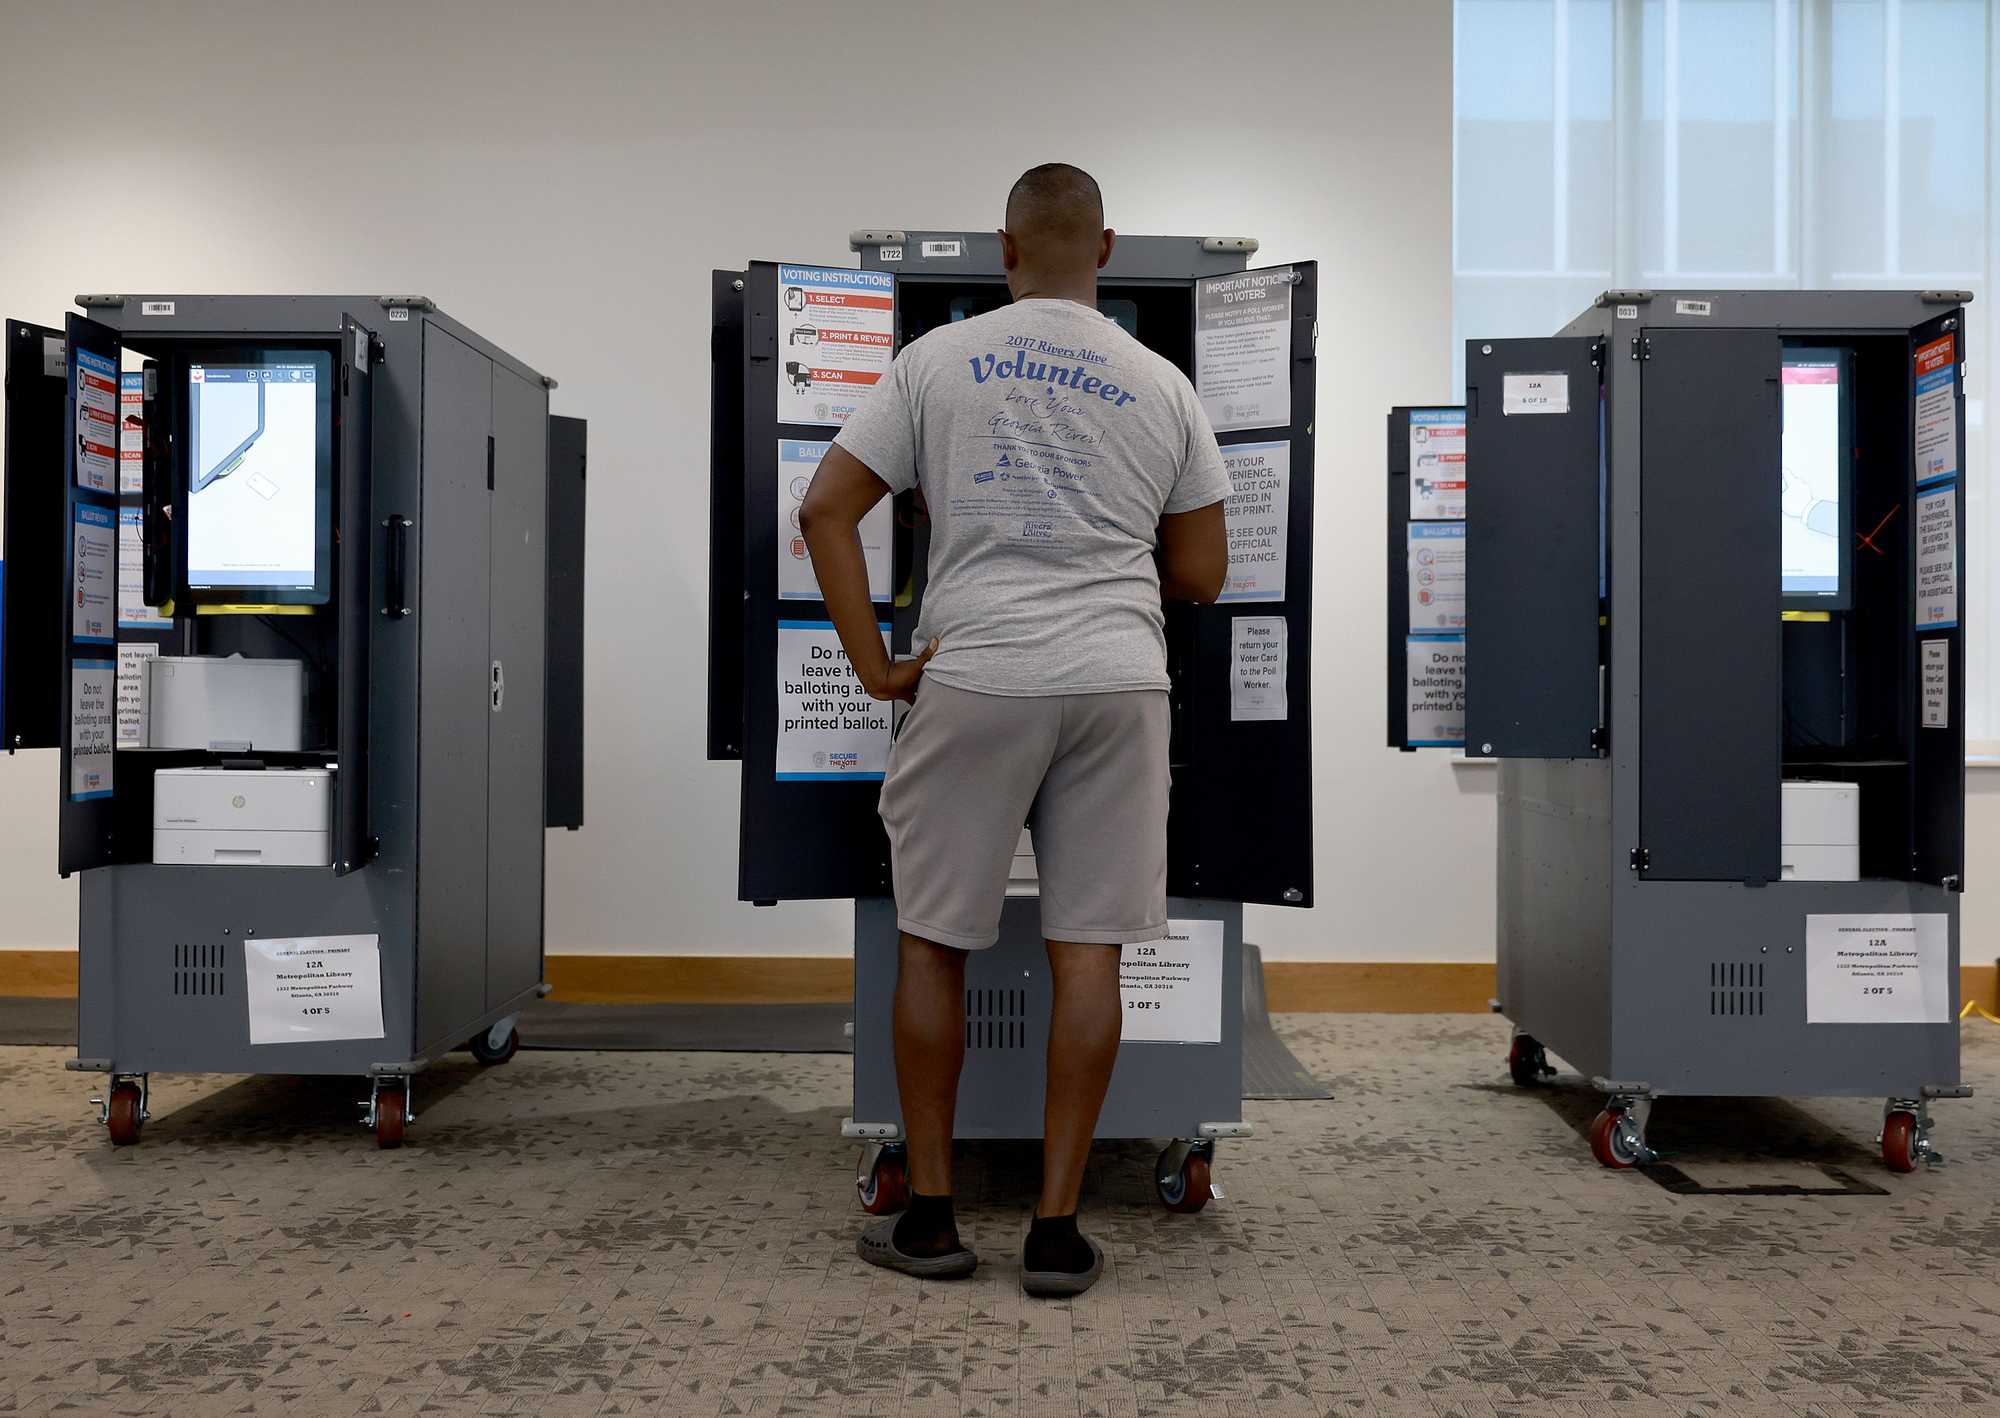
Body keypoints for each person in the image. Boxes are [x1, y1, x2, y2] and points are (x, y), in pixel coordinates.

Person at [799, 162, 1230, 1297]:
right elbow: (1199, 572)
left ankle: (932, 1221)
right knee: (1086, 949)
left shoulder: (932, 362)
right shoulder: (1162, 381)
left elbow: (824, 509)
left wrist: (875, 667)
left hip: (975, 672)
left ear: (1003, 251)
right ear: (1106, 249)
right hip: (1116, 680)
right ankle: (1054, 1230)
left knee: (934, 938)